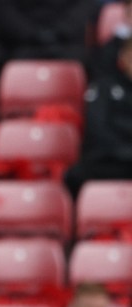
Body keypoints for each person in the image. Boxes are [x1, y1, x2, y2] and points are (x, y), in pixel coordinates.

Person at [64, 38, 132, 197]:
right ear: (122, 59)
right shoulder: (103, 87)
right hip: (109, 160)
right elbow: (97, 128)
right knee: (76, 175)